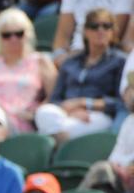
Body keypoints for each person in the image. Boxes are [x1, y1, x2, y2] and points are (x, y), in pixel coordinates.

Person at [37, 8, 127, 144]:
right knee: (43, 112)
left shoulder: (120, 62)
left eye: (106, 26)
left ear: (113, 31)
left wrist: (84, 103)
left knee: (62, 128)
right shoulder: (70, 62)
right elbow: (55, 99)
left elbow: (120, 102)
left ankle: (59, 147)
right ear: (85, 31)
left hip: (97, 116)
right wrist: (70, 112)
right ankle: (63, 145)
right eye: (94, 26)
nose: (100, 30)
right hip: (65, 114)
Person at [51, 0, 134, 68]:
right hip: (74, 56)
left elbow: (114, 35)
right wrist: (60, 56)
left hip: (105, 58)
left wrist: (87, 59)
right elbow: (62, 35)